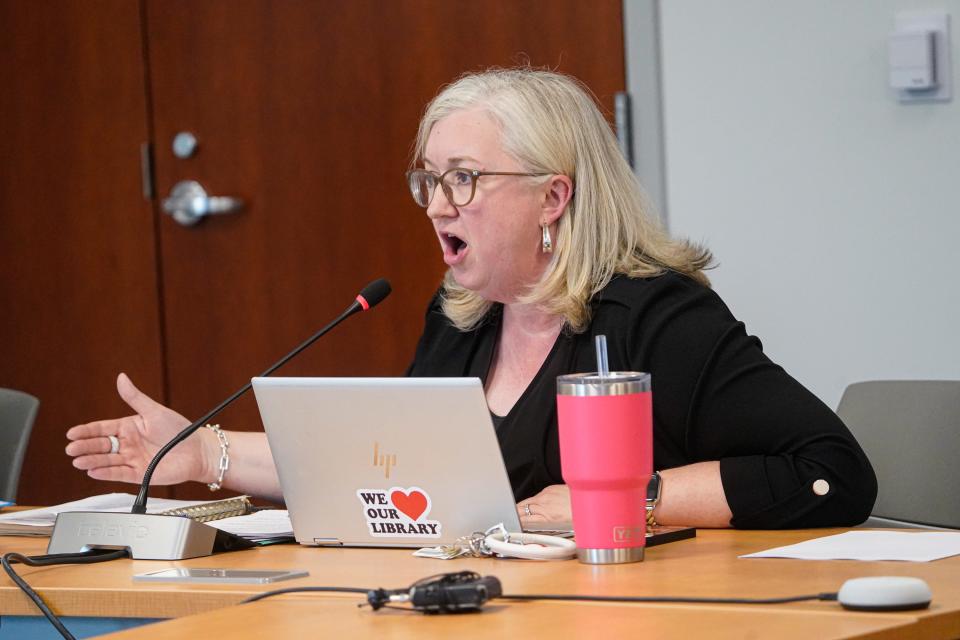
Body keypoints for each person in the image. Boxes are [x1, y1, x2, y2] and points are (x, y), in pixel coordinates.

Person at [66, 67, 877, 529]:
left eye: (463, 179)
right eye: (429, 178)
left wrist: (626, 501)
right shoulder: (462, 318)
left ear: (553, 197)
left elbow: (830, 474)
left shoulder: (656, 318)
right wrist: (196, 451)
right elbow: (386, 470)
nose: (436, 203)